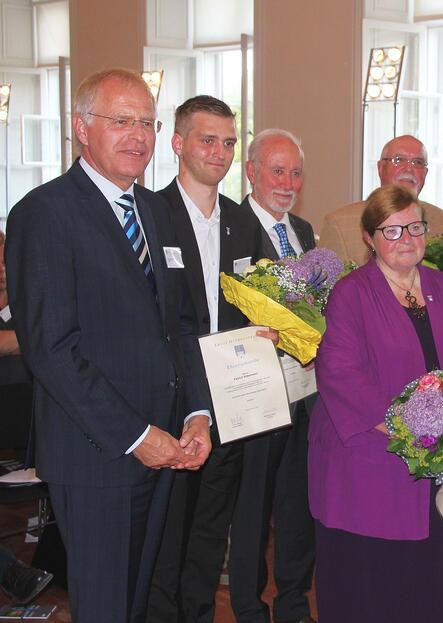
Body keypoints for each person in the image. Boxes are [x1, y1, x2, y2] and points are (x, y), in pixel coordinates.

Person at [4, 68, 211, 623]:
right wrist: (136, 436)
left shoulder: (160, 211)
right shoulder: (44, 214)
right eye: (120, 121)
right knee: (104, 606)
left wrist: (196, 412)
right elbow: (50, 349)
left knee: (138, 601)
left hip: (168, 443)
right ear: (81, 128)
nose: (137, 136)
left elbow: (184, 326)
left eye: (146, 122)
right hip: (99, 451)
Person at [308, 185, 443, 622]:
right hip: (372, 471)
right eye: (392, 230)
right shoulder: (350, 294)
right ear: (369, 237)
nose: (406, 239)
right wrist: (414, 426)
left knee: (441, 587)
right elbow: (341, 375)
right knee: (379, 594)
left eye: (415, 227)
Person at [147, 95, 266, 623]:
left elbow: (257, 303)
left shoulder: (243, 223)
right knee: (165, 535)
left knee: (209, 533)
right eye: (207, 139)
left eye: (228, 142)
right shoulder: (151, 216)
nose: (219, 152)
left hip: (231, 402)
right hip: (171, 404)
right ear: (178, 143)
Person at [229, 129, 316, 623]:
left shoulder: (302, 230)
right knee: (252, 508)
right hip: (254, 391)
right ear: (253, 171)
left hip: (306, 392)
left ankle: (293, 600)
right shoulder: (232, 226)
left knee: (296, 503)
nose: (287, 182)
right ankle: (247, 604)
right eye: (277, 170)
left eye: (296, 172)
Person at [318, 135, 443, 264]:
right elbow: (326, 287)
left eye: (418, 162)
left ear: (425, 173)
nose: (409, 168)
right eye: (399, 160)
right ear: (380, 168)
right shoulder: (339, 224)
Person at [0, 230, 32, 453]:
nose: (2, 269)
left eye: (4, 261)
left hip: (26, 420)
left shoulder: (27, 298)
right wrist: (33, 340)